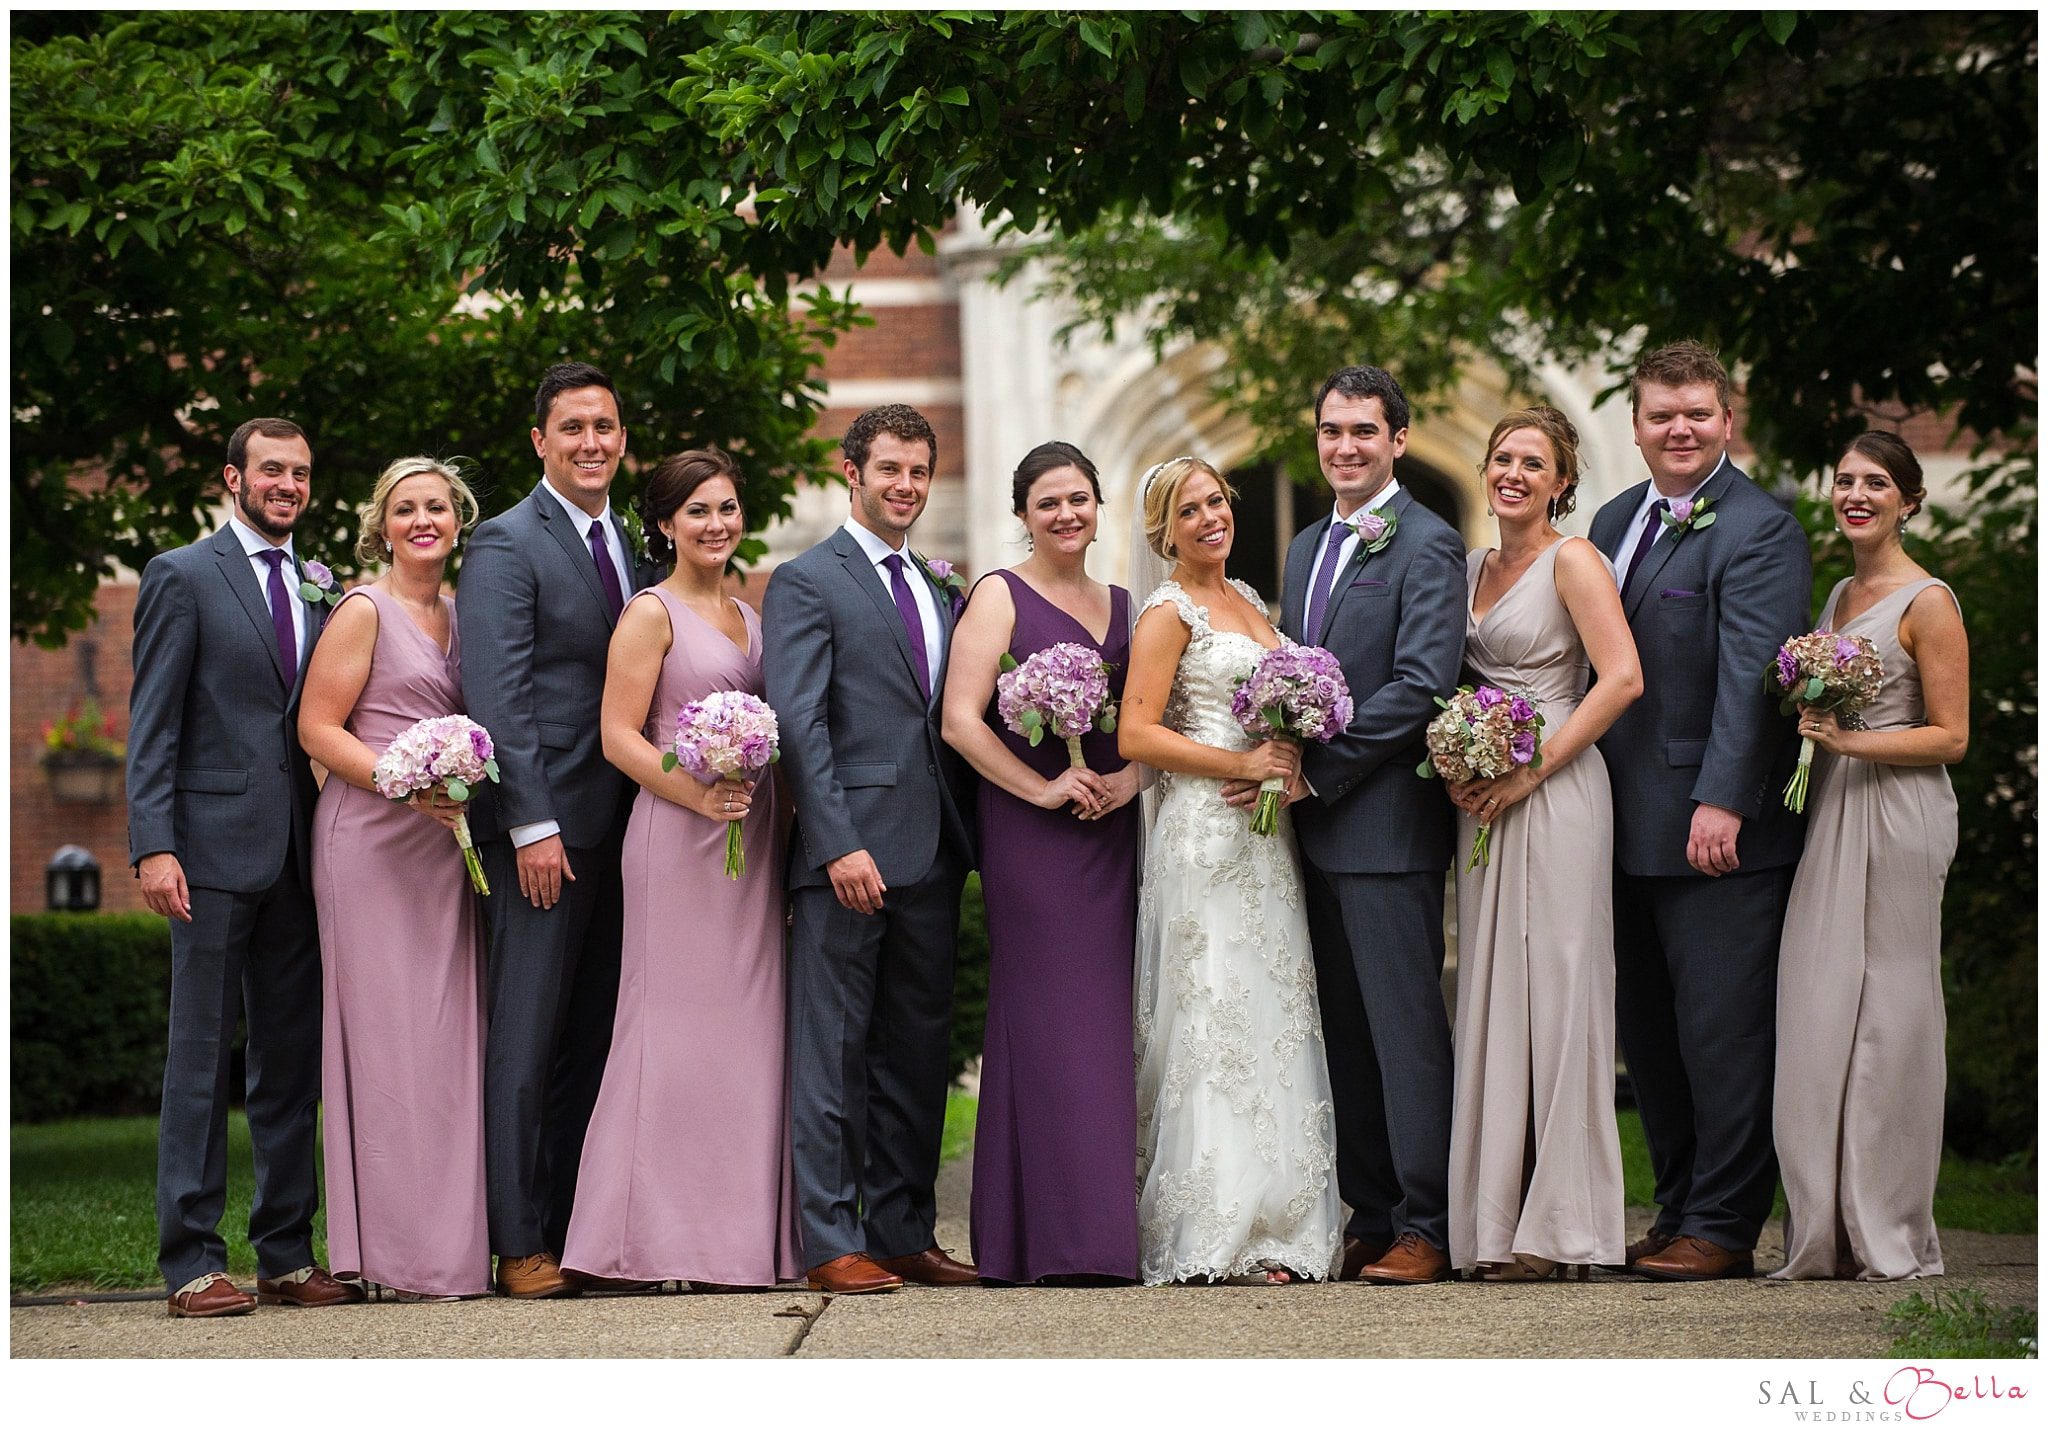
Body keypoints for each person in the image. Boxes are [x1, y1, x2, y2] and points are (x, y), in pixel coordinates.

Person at [1228, 366, 1468, 1285]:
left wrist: (1313, 772)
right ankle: (1372, 1213)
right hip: (1315, 831)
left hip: (1386, 826)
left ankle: (1428, 1225)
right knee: (1345, 1030)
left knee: (1405, 1032)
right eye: (1332, 430)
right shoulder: (1304, 548)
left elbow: (1422, 684)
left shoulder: (1430, 543)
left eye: (1364, 431)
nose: (1345, 447)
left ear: (1399, 440)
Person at [1587, 340, 1812, 1281]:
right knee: (1651, 1038)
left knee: (1723, 1036)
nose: (1679, 429)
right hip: (1617, 820)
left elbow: (1752, 678)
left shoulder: (1761, 530)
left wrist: (1722, 800)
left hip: (1713, 829)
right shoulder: (1613, 518)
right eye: (1661, 414)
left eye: (1696, 414)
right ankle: (1677, 1207)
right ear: (1637, 425)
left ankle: (1723, 1225)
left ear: (1727, 419)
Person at [126, 417, 359, 1317]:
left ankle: (286, 1253)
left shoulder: (322, 585)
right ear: (234, 479)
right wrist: (154, 844)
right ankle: (191, 1261)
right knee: (198, 1059)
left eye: (299, 473)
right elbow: (154, 722)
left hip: (303, 853)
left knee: (290, 1062)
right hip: (209, 853)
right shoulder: (182, 575)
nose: (287, 485)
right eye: (271, 471)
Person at [561, 448, 804, 1290]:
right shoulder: (650, 613)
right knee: (668, 1037)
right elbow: (617, 735)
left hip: (751, 842)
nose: (716, 524)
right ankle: (635, 1243)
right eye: (697, 510)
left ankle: (729, 1243)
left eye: (727, 508)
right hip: (677, 840)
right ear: (665, 524)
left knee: (745, 1042)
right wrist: (696, 795)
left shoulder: (751, 614)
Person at [763, 404, 979, 1295]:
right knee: (834, 1053)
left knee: (915, 1055)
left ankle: (903, 1232)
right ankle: (828, 1239)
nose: (905, 485)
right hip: (849, 859)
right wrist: (836, 844)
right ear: (851, 472)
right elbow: (800, 720)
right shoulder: (806, 580)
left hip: (933, 852)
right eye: (889, 468)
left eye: (918, 471)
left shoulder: (939, 586)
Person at [458, 362, 657, 1298]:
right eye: (572, 427)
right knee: (527, 1037)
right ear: (540, 441)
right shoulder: (505, 543)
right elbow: (499, 693)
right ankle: (519, 1239)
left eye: (604, 426)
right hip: (547, 835)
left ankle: (583, 1233)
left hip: (630, 831)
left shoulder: (632, 543)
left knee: (597, 1035)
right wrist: (530, 823)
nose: (591, 442)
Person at [1119, 455, 1342, 1286]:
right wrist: (1239, 762)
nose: (1210, 517)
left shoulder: (1247, 599)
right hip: (1206, 833)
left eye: (1216, 501)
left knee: (1271, 1010)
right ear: (1163, 532)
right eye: (1189, 510)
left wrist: (1288, 751)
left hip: (1264, 838)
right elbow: (1137, 734)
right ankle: (1217, 1225)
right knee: (1214, 1011)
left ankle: (1283, 1221)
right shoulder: (1167, 612)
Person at [1441, 408, 1641, 1281]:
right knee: (1494, 996)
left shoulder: (1575, 560)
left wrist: (1532, 771)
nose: (1513, 474)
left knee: (1559, 994)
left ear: (1561, 482)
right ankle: (1500, 1222)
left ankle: (1563, 1229)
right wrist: (1463, 756)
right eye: (1502, 459)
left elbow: (1622, 678)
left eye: (1533, 463)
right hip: (1484, 794)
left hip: (1555, 788)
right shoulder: (1470, 567)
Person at [940, 441, 1141, 1286]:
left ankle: (1102, 1232)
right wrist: (1043, 788)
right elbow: (960, 719)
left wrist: (1129, 782)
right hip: (1033, 836)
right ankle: (1049, 1238)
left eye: (1079, 499)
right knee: (1050, 1021)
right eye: (1048, 502)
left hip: (1113, 834)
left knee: (1108, 1026)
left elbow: (1149, 723)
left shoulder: (1126, 603)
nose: (1066, 514)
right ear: (1023, 513)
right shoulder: (998, 594)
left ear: (1099, 506)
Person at [1772, 432, 1967, 1281]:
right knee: (1819, 1009)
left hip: (1899, 813)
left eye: (1876, 483)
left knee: (1891, 1016)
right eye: (1845, 480)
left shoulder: (1929, 602)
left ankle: (1886, 1224)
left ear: (1909, 500)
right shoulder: (1840, 594)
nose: (1856, 494)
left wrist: (1849, 741)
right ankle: (1827, 1227)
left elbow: (1951, 736)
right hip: (1835, 807)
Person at [299, 456, 489, 1301]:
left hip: (442, 849)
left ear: (458, 520)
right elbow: (317, 728)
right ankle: (389, 1256)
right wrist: (401, 782)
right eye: (406, 508)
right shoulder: (362, 610)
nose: (423, 521)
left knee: (447, 1044)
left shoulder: (463, 612)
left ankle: (448, 1251)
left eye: (437, 507)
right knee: (385, 1046)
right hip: (371, 846)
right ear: (382, 525)